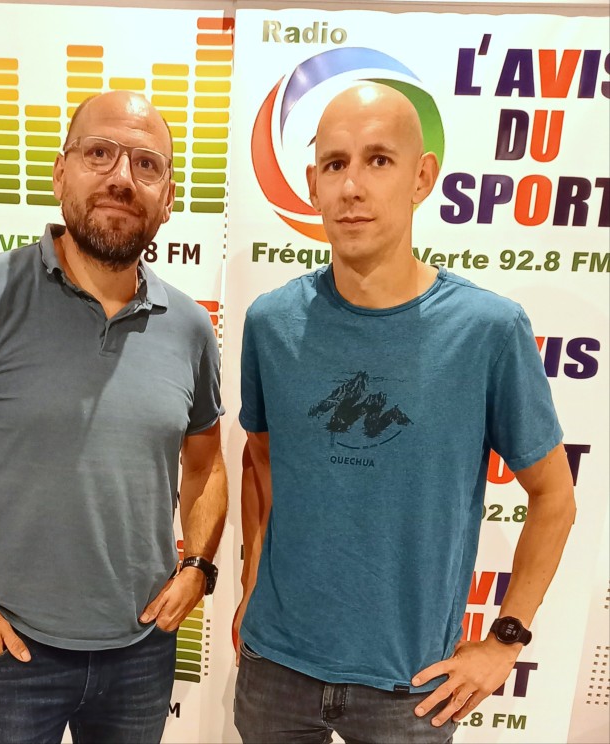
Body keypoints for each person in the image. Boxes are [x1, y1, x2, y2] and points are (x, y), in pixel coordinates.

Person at [0, 90, 227, 744]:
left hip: (141, 652)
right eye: (99, 153)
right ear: (61, 173)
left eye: (146, 164)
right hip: (9, 656)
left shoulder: (190, 327)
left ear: (168, 198)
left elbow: (206, 464)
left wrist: (197, 565)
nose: (121, 177)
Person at [233, 82, 575, 743]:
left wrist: (504, 640)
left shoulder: (487, 330)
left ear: (421, 177)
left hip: (412, 687)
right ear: (311, 184)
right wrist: (251, 584)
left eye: (378, 160)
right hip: (275, 670)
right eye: (334, 164)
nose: (351, 187)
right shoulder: (271, 324)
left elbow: (554, 498)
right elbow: (261, 462)